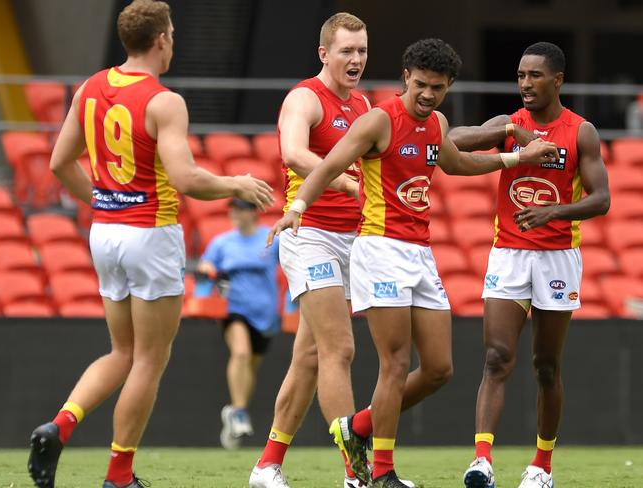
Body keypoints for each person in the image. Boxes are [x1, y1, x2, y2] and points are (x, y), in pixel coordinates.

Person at [269, 38, 558, 488]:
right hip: (379, 249)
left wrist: (517, 157)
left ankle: (357, 427)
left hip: (420, 253)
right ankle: (383, 472)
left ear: (448, 87)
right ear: (406, 77)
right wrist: (297, 208)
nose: (427, 94)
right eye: (421, 84)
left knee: (440, 368)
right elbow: (327, 167)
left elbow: (457, 164)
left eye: (438, 88)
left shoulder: (437, 122)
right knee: (396, 362)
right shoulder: (378, 120)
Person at [27, 1, 272, 487]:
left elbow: (59, 162)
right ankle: (119, 476)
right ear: (161, 39)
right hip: (151, 233)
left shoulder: (91, 87)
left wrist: (101, 206)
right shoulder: (165, 101)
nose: (174, 42)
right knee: (148, 360)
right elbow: (186, 179)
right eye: (174, 34)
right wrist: (235, 183)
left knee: (121, 351)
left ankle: (59, 425)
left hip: (106, 234)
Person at [448, 42, 610, 488]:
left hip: (558, 256)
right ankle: (482, 460)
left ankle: (541, 466)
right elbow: (450, 143)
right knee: (497, 357)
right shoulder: (509, 124)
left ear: (557, 80)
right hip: (510, 254)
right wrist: (512, 139)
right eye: (520, 75)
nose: (524, 83)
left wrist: (553, 213)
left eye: (534, 75)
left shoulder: (581, 132)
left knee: (545, 366)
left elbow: (602, 199)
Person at [248, 12, 369, 488]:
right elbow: (294, 153)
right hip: (310, 235)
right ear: (324, 54)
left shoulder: (361, 104)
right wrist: (342, 182)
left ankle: (267, 465)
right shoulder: (305, 97)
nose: (356, 59)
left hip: (351, 240)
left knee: (310, 356)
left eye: (361, 50)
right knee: (340, 348)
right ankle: (355, 473)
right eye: (346, 51)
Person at [195, 198, 281, 450]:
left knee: (250, 368)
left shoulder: (270, 238)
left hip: (265, 313)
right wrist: (208, 269)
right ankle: (241, 412)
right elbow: (205, 264)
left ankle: (233, 411)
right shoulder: (222, 242)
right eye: (233, 210)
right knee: (241, 353)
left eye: (241, 209)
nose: (235, 214)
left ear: (253, 212)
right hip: (234, 309)